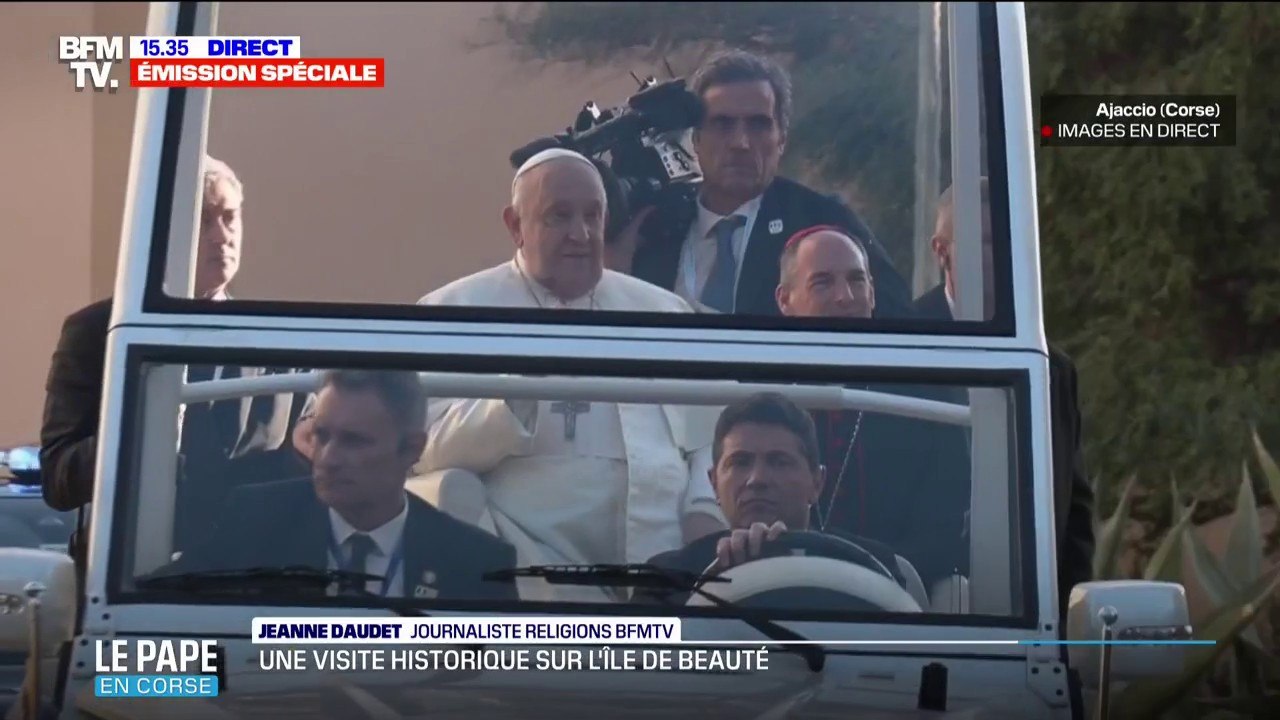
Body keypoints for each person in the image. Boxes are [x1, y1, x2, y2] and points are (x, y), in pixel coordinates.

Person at [415, 148, 728, 601]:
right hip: (525, 563)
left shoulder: (660, 310)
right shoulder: (455, 311)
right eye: (559, 216)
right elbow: (420, 447)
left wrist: (704, 506)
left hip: (660, 564)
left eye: (592, 216)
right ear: (515, 226)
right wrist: (516, 398)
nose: (580, 234)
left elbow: (711, 438)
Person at [39, 156, 307, 562]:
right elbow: (59, 480)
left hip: (245, 580)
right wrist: (140, 428)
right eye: (202, 220)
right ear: (158, 230)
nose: (222, 236)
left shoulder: (278, 343)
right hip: (126, 578)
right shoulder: (100, 332)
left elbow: (301, 481)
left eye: (230, 217)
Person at [172, 370, 518, 602]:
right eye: (321, 435)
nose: (328, 457)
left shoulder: (476, 563)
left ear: (412, 449)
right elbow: (161, 618)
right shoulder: (255, 521)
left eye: (354, 441)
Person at [917, 178, 1095, 618]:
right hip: (913, 612)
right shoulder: (901, 341)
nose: (1003, 256)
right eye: (986, 242)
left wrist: (1066, 624)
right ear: (942, 251)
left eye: (1012, 240)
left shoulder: (1050, 367)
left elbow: (1072, 508)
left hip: (1029, 621)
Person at [625, 49, 913, 318]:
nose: (741, 143)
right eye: (723, 124)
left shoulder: (823, 221)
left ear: (781, 139)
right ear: (697, 139)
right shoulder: (653, 227)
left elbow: (895, 319)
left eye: (758, 125)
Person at [774, 225, 972, 590]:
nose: (845, 296)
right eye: (822, 283)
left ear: (873, 293)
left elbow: (945, 534)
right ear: (785, 300)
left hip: (895, 598)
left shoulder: (922, 396)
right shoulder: (768, 397)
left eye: (856, 280)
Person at [643, 392, 928, 608]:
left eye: (779, 462)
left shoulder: (873, 568)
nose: (757, 479)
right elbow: (632, 660)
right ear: (713, 483)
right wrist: (708, 590)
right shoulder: (665, 579)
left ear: (817, 483)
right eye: (740, 462)